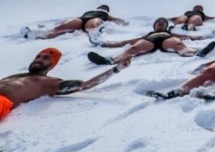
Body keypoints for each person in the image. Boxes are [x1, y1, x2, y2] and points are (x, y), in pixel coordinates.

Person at [0, 48, 129, 120]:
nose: (39, 59)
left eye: (45, 58)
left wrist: (116, 69)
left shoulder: (50, 82)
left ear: (52, 64)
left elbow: (85, 85)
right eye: (38, 56)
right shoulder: (16, 76)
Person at [86, 17, 215, 66]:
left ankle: (196, 53)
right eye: (158, 22)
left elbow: (191, 38)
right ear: (154, 26)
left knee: (178, 44)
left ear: (166, 26)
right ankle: (110, 60)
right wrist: (102, 43)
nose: (160, 23)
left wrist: (208, 36)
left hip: (167, 40)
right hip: (149, 42)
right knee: (133, 49)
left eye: (163, 22)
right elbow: (123, 42)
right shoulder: (148, 34)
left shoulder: (170, 33)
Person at [28, 5, 129, 40]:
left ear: (106, 10)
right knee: (61, 28)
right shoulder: (89, 11)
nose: (102, 8)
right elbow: (74, 18)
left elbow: (118, 20)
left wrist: (125, 22)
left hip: (94, 20)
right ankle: (41, 36)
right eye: (101, 7)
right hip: (81, 19)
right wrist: (61, 23)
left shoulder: (106, 14)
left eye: (104, 8)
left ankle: (94, 37)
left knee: (93, 25)